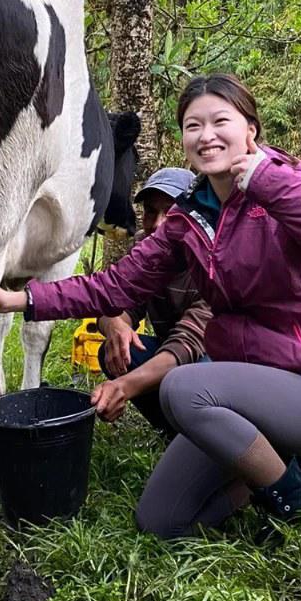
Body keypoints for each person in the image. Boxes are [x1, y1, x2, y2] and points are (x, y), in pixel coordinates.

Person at [0, 74, 301, 540]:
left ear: (250, 128)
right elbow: (115, 286)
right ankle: (275, 469)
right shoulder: (188, 218)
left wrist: (268, 181)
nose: (206, 135)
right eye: (193, 125)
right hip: (246, 390)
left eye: (221, 121)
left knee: (181, 387)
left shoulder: (285, 183)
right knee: (162, 520)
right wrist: (17, 298)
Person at [93, 166, 211, 439]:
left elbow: (189, 341)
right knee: (116, 352)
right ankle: (174, 432)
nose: (158, 223)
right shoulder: (146, 248)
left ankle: (211, 438)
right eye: (150, 211)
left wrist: (125, 386)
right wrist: (115, 326)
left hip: (216, 363)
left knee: (190, 378)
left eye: (170, 212)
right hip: (174, 357)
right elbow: (113, 300)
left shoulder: (214, 257)